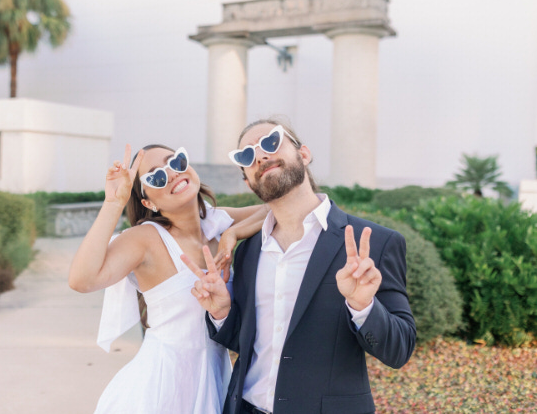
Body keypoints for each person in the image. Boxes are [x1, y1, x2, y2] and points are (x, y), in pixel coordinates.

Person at [181, 119, 416, 414]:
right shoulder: (248, 251)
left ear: (303, 154)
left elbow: (399, 350)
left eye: (270, 142)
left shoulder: (376, 243)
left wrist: (362, 305)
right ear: (247, 180)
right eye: (246, 156)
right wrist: (221, 312)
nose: (261, 156)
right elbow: (249, 342)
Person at [68, 143, 268, 414]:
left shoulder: (218, 223)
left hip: (214, 377)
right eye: (156, 176)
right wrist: (113, 203)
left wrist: (233, 234)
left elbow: (281, 208)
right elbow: (82, 280)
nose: (172, 173)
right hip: (162, 385)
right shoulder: (145, 238)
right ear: (148, 202)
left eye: (176, 161)